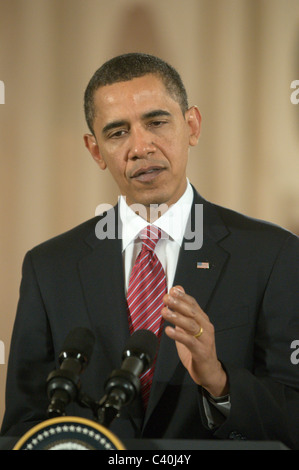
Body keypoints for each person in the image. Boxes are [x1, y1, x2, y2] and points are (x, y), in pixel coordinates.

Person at [1, 53, 299, 449]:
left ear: (192, 125)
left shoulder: (273, 255)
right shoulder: (49, 267)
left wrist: (218, 381)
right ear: (95, 150)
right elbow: (23, 426)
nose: (141, 147)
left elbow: (293, 418)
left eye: (157, 122)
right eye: (117, 132)